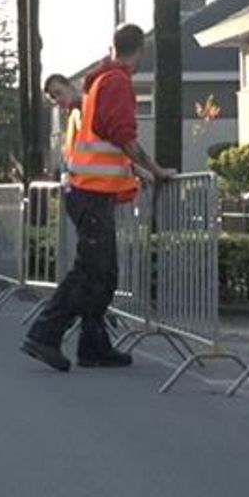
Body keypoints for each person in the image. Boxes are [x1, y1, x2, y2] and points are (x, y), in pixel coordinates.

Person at [22, 23, 176, 372]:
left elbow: (108, 141)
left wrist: (136, 172)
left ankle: (94, 344)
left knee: (104, 273)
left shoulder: (101, 83)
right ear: (140, 51)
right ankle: (45, 333)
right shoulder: (117, 84)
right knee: (90, 270)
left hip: (90, 191)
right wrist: (155, 169)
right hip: (91, 192)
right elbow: (123, 136)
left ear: (112, 48)